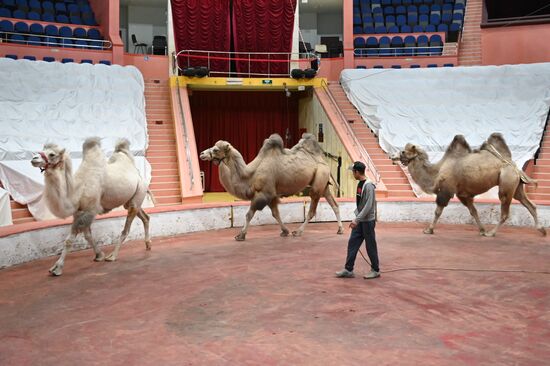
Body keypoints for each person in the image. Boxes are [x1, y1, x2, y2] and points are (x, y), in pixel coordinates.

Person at [335, 161, 380, 280]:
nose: (352, 174)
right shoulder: (360, 183)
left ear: (357, 172)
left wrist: (357, 219)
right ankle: (348, 269)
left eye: (353, 172)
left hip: (367, 221)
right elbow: (361, 204)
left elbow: (369, 205)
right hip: (360, 220)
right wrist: (357, 218)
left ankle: (375, 270)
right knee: (352, 243)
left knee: (370, 246)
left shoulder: (369, 185)